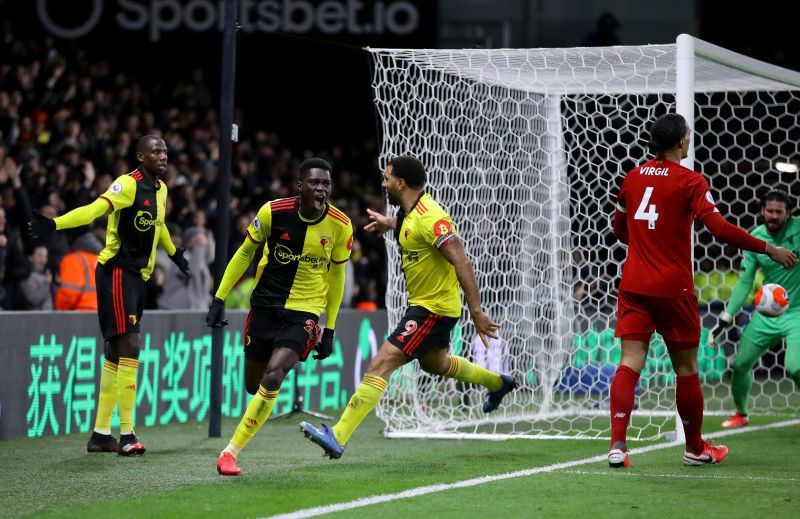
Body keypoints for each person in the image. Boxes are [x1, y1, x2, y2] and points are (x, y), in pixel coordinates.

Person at [608, 113, 797, 468]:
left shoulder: (631, 178)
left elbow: (618, 230)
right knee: (687, 368)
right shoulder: (690, 181)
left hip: (633, 285)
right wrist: (768, 248)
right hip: (673, 288)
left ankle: (618, 445)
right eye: (689, 135)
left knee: (629, 363)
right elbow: (720, 229)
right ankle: (695, 448)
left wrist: (647, 245)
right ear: (681, 142)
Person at [299, 155, 514, 460]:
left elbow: (461, 260)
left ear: (401, 183)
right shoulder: (410, 214)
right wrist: (390, 223)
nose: (383, 184)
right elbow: (410, 226)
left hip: (433, 308)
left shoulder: (431, 216)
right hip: (430, 306)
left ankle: (338, 435)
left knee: (382, 362)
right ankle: (497, 383)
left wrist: (477, 313)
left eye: (387, 178)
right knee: (435, 364)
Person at [27, 135, 189, 455]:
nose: (163, 156)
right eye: (155, 151)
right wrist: (56, 224)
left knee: (116, 351)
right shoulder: (127, 185)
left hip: (137, 277)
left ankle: (101, 435)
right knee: (131, 343)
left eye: (165, 151)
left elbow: (159, 224)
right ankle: (127, 433)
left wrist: (173, 253)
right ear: (140, 156)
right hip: (116, 271)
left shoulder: (161, 189)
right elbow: (92, 211)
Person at [207, 158, 353, 476]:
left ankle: (229, 453)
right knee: (253, 384)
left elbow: (338, 277)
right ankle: (249, 419)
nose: (321, 189)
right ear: (299, 186)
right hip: (265, 306)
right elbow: (245, 253)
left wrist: (329, 328)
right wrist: (219, 298)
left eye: (326, 184)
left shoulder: (341, 225)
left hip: (305, 311)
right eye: (314, 183)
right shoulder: (273, 212)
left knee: (275, 375)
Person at [709, 188, 800, 428]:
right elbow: (745, 281)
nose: (773, 216)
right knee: (740, 365)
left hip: (797, 312)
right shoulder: (756, 238)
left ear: (789, 214)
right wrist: (726, 316)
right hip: (767, 314)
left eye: (779, 212)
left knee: (795, 366)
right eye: (769, 211)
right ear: (762, 211)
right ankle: (741, 413)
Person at [158, 226, 212, 310]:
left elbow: (210, 256)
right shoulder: (181, 257)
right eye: (197, 240)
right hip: (172, 307)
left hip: (191, 309)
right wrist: (199, 247)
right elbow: (192, 271)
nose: (202, 243)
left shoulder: (199, 259)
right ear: (189, 241)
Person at [54, 229, 103, 311]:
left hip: (80, 316)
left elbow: (69, 293)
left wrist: (60, 310)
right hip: (103, 315)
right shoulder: (100, 259)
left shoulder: (74, 260)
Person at [19, 243, 53, 310]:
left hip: (48, 318)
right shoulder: (28, 277)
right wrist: (46, 284)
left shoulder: (44, 275)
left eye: (45, 256)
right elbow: (34, 300)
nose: (43, 260)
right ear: (30, 258)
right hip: (37, 319)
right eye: (40, 256)